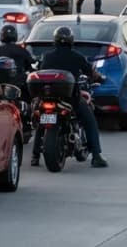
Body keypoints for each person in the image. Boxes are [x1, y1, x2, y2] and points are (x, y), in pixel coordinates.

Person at [37, 26, 107, 168]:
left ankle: (34, 156)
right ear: (71, 41)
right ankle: (97, 155)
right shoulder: (77, 56)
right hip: (70, 98)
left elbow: (39, 70)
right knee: (90, 120)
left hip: (47, 97)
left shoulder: (47, 56)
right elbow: (92, 73)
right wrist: (101, 78)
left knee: (40, 121)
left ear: (55, 40)